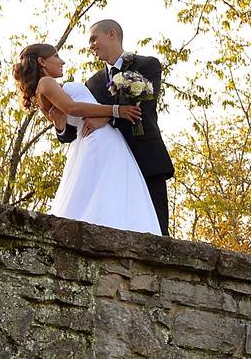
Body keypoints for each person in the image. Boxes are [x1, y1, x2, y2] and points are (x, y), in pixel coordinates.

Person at [12, 43, 161, 235]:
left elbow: (66, 128)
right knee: (111, 191)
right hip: (99, 140)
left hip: (92, 141)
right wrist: (117, 111)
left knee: (104, 192)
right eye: (56, 56)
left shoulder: (44, 91)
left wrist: (61, 126)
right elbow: (72, 109)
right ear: (42, 61)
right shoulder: (46, 83)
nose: (62, 61)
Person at [54, 20, 174, 236]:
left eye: (93, 38)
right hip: (111, 167)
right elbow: (77, 130)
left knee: (157, 230)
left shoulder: (147, 64)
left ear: (111, 34)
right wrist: (60, 124)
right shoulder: (93, 83)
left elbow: (144, 106)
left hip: (145, 157)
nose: (91, 45)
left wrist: (107, 118)